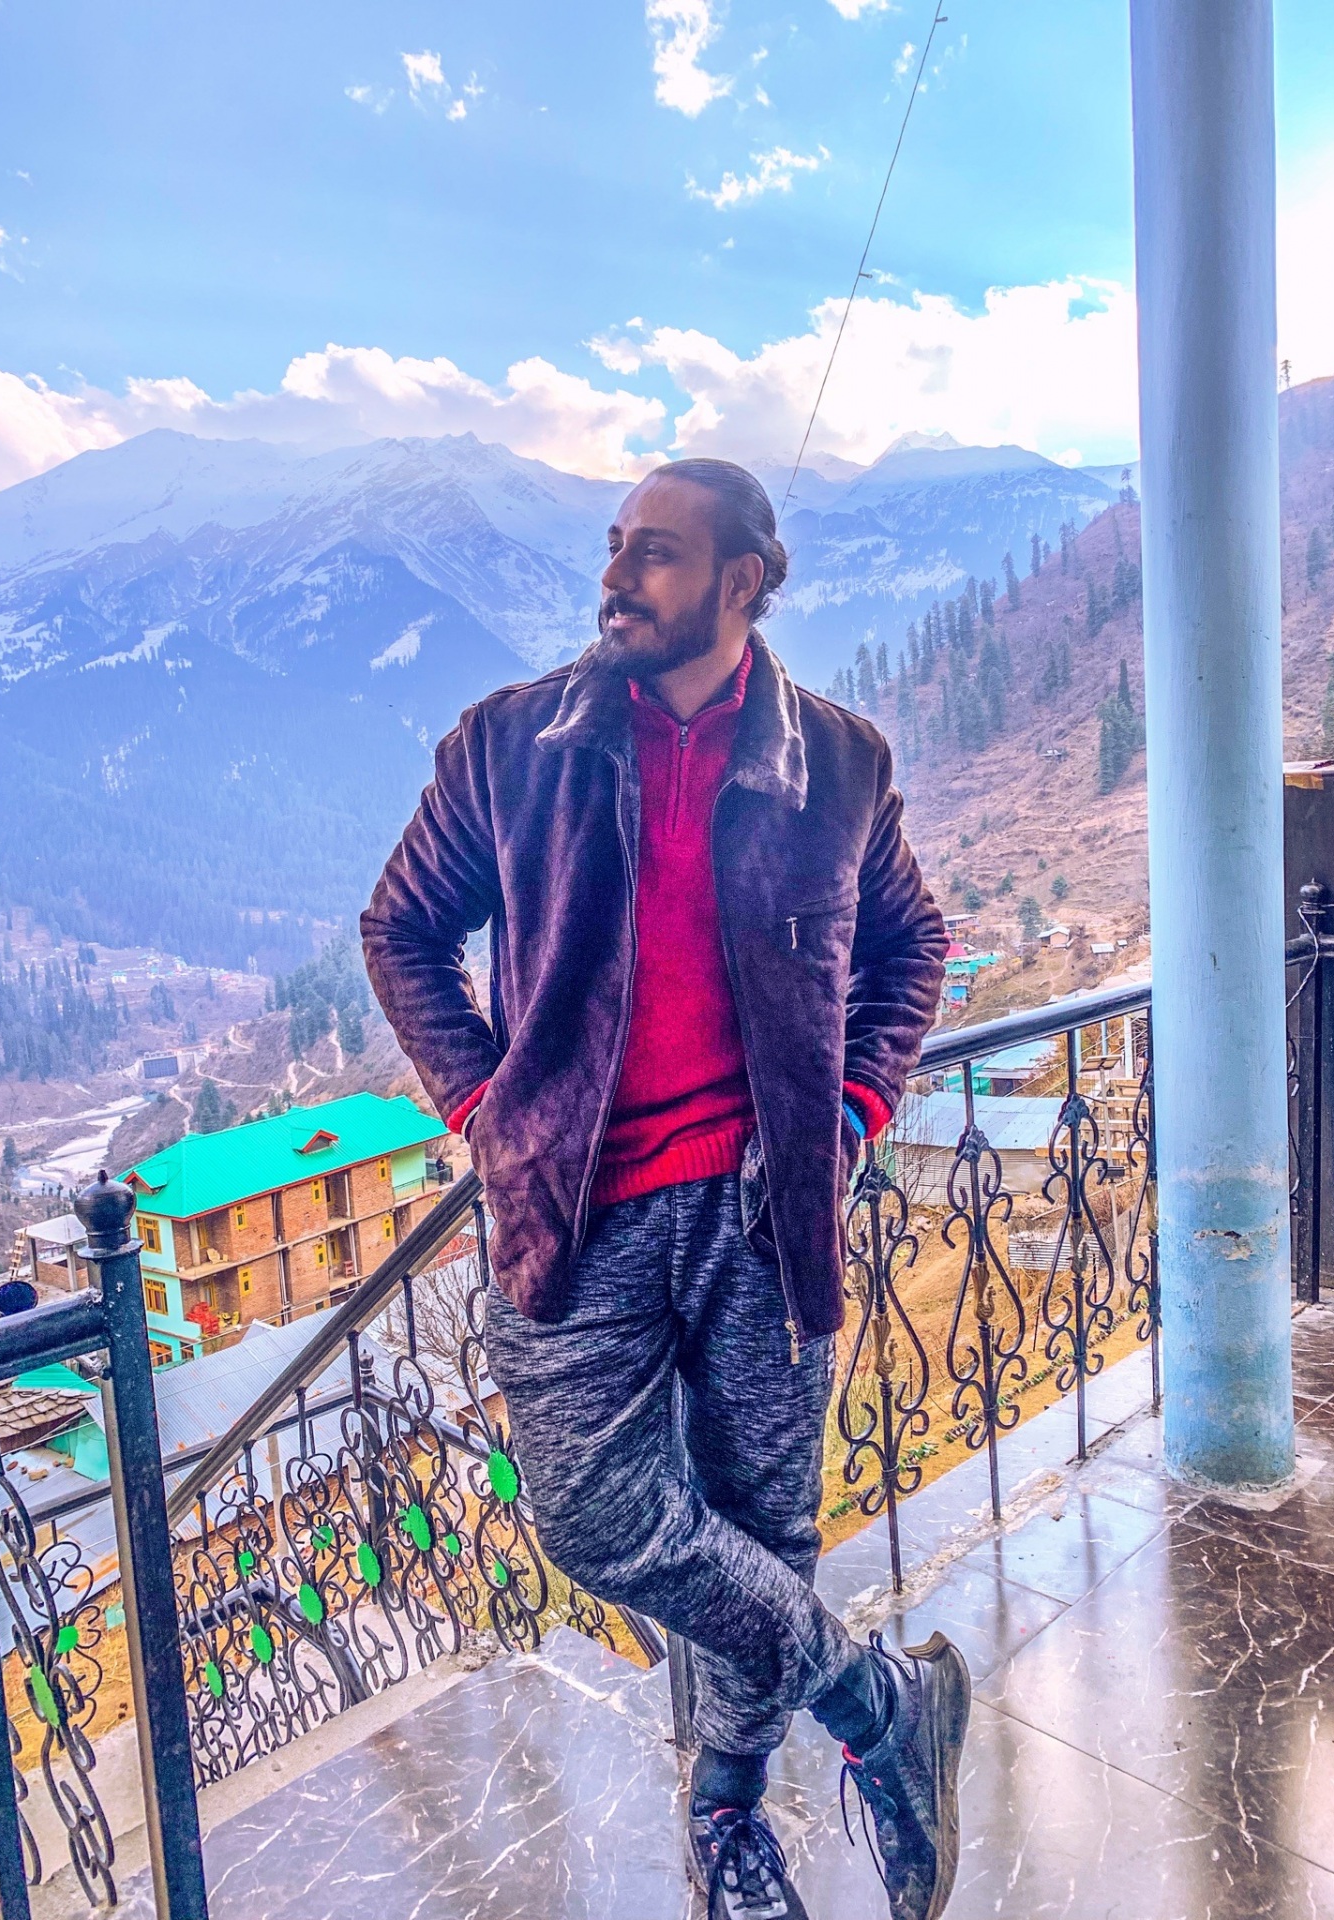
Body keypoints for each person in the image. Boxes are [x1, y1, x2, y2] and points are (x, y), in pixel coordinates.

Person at [362, 458, 963, 1920]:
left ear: (744, 582)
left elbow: (911, 947)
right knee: (588, 1514)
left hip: (765, 1214)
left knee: (765, 1530)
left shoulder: (839, 766)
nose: (616, 579)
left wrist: (856, 1110)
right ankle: (879, 1701)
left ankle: (728, 1826)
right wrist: (491, 1115)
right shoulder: (514, 747)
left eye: (656, 554)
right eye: (616, 546)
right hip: (574, 1215)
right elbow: (402, 930)